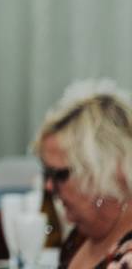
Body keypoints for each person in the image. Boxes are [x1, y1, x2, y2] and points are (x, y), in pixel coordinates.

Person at [34, 79, 132, 269]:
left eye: (59, 175)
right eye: (47, 173)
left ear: (103, 171)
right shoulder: (82, 233)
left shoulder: (126, 257)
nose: (48, 185)